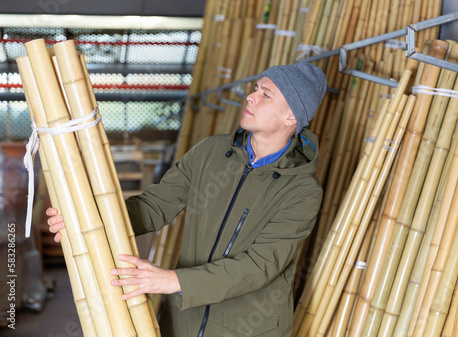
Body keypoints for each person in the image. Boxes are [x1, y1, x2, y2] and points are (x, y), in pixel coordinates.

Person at [47, 62, 327, 337]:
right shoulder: (212, 152)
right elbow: (155, 205)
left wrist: (173, 280)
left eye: (266, 94)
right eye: (255, 89)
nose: (250, 97)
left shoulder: (301, 190)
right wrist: (87, 221)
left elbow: (259, 265)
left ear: (291, 116)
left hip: (249, 326)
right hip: (184, 319)